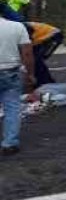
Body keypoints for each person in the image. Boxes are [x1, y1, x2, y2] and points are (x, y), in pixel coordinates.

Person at [0, 15, 35, 156]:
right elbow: (27, 53)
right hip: (10, 72)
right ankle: (9, 143)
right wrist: (30, 74)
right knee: (12, 108)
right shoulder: (17, 27)